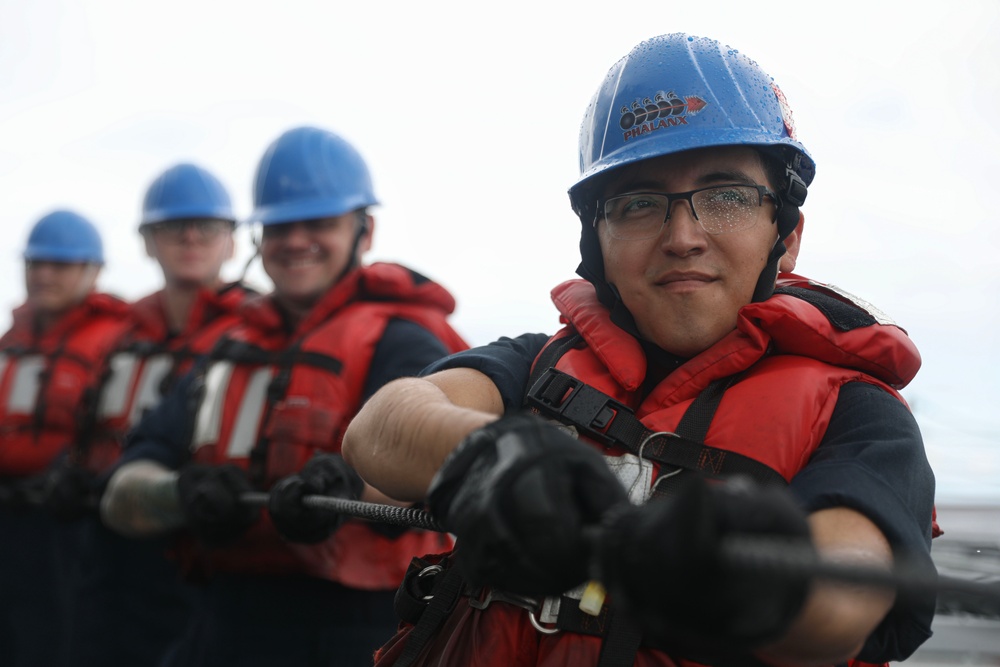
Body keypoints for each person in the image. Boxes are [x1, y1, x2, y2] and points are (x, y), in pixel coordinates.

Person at [341, 33, 939, 667]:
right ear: (597, 241)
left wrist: (746, 570)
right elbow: (380, 430)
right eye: (639, 203)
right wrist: (489, 455)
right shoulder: (536, 367)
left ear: (785, 236)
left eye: (727, 196)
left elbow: (844, 598)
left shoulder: (861, 416)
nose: (683, 236)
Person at [100, 125, 467, 666]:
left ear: (364, 232)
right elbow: (124, 490)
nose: (296, 241)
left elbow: (445, 471)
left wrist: (346, 489)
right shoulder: (229, 349)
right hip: (225, 615)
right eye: (278, 226)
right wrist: (183, 492)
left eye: (318, 223)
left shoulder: (403, 342)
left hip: (362, 624)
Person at [50, 163, 251, 666]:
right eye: (171, 227)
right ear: (146, 242)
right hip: (103, 555)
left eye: (206, 227)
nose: (189, 238)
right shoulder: (123, 333)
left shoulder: (255, 336)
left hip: (195, 560)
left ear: (232, 242)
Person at [0, 209, 130, 667]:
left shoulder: (115, 339)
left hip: (64, 524)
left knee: (56, 640)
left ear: (91, 271)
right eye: (36, 264)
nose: (44, 275)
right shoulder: (12, 339)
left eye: (60, 265)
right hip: (6, 518)